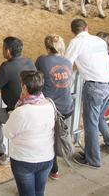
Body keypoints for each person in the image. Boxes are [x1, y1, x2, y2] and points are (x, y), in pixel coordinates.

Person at [65, 19, 109, 168]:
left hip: (95, 86)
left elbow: (66, 63)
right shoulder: (99, 40)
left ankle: (93, 160)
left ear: (73, 31)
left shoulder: (75, 42)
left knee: (90, 124)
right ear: (87, 28)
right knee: (97, 118)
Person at [0, 36, 36, 165]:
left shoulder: (6, 67)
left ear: (8, 51)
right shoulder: (29, 62)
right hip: (32, 108)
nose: (2, 51)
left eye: (3, 48)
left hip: (17, 112)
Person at [3, 71, 55, 196]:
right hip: (46, 157)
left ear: (25, 87)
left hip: (24, 160)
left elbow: (7, 132)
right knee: (39, 192)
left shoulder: (22, 111)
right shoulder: (49, 104)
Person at [35, 34, 73, 180]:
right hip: (67, 105)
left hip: (52, 108)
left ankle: (53, 169)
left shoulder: (42, 60)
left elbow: (37, 77)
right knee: (61, 134)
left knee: (49, 139)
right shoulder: (67, 62)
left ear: (47, 47)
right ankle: (60, 161)